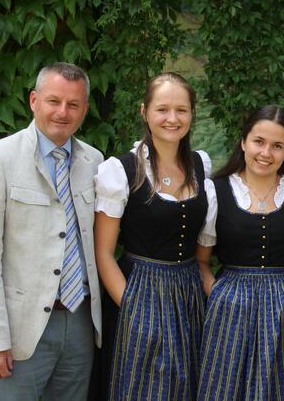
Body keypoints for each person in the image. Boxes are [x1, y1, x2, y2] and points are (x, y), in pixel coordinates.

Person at [0, 62, 103, 399]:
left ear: (84, 108)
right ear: (34, 100)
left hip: (81, 322)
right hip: (19, 330)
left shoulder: (94, 162)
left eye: (73, 104)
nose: (63, 112)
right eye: (54, 101)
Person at [94, 72, 210, 400]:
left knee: (187, 384)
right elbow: (103, 253)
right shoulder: (121, 171)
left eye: (181, 110)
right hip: (138, 290)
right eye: (162, 109)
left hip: (187, 293)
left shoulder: (201, 166)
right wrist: (134, 308)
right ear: (144, 111)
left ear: (191, 114)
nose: (172, 118)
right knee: (139, 386)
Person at [196, 105, 284, 400]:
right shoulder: (217, 191)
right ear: (243, 142)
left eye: (277, 146)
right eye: (259, 142)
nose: (266, 153)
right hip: (230, 311)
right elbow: (201, 261)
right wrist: (221, 295)